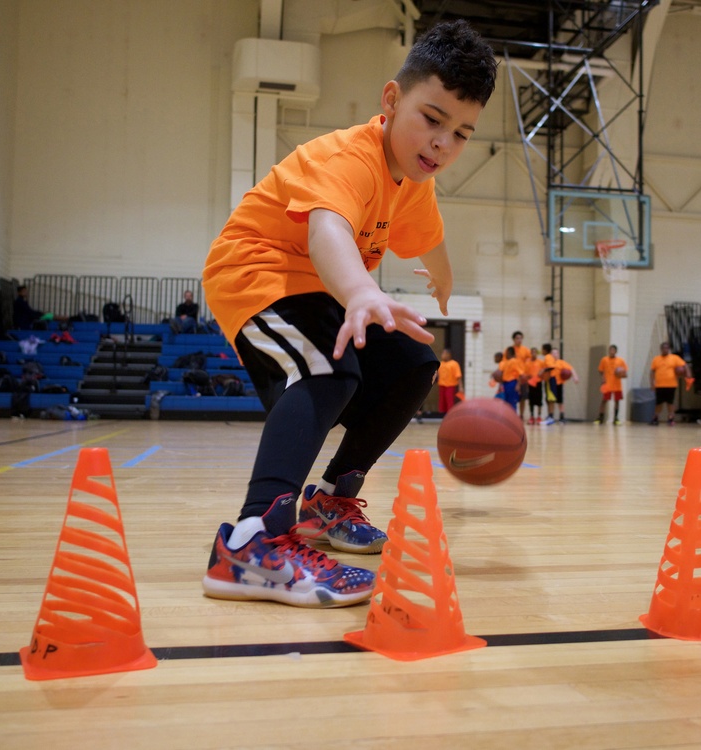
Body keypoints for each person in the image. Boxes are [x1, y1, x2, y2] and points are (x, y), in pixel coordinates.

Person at [199, 20, 497, 608]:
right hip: (256, 274)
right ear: (391, 100)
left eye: (462, 133)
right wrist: (362, 291)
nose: (442, 143)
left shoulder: (413, 181)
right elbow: (327, 228)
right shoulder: (350, 157)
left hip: (321, 290)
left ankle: (329, 503)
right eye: (432, 119)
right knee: (326, 371)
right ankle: (252, 541)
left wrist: (445, 276)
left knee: (414, 363)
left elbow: (428, 237)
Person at [649, 341, 689, 426]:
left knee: (670, 403)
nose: (665, 349)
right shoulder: (656, 359)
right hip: (659, 385)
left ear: (669, 349)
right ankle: (655, 418)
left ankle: (671, 418)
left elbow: (685, 365)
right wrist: (652, 383)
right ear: (661, 349)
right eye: (663, 348)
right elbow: (652, 372)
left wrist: (688, 374)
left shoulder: (674, 358)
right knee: (658, 403)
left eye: (667, 348)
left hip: (671, 385)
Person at [543, 346, 577, 425]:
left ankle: (562, 417)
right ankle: (550, 416)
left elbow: (571, 369)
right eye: (553, 353)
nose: (555, 354)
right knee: (551, 400)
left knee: (560, 401)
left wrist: (575, 376)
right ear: (551, 354)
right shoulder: (549, 363)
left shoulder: (561, 362)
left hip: (559, 384)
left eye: (556, 353)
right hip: (551, 383)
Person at [595, 344, 627, 425]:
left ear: (616, 351)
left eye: (613, 350)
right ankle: (600, 418)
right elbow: (600, 370)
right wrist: (603, 378)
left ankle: (615, 418)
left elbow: (625, 374)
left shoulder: (621, 361)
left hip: (617, 385)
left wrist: (620, 374)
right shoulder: (604, 360)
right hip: (607, 384)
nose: (611, 351)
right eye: (610, 350)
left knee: (617, 401)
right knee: (604, 401)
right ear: (608, 351)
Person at [510, 331, 532, 421]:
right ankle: (512, 415)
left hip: (522, 377)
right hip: (512, 376)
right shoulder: (510, 350)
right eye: (517, 338)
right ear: (514, 339)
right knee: (513, 397)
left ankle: (521, 415)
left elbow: (531, 361)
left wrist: (528, 374)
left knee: (523, 398)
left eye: (521, 338)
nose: (519, 340)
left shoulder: (526, 350)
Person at [499, 345, 525, 412]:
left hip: (512, 383)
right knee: (506, 403)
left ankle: (513, 420)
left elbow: (520, 373)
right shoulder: (506, 362)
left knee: (512, 402)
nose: (505, 354)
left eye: (506, 352)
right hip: (506, 384)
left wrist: (518, 385)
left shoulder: (514, 361)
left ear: (509, 353)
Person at [436, 348, 463, 415]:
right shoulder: (441, 364)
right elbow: (437, 374)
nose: (442, 355)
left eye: (444, 353)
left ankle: (450, 414)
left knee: (449, 401)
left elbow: (458, 376)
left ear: (448, 355)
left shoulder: (454, 364)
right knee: (442, 401)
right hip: (442, 385)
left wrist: (461, 387)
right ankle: (441, 414)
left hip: (450, 386)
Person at [525, 347, 544, 425]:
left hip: (538, 382)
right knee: (531, 401)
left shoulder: (540, 362)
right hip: (530, 383)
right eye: (532, 352)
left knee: (539, 400)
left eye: (535, 352)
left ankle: (539, 417)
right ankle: (532, 416)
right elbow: (525, 373)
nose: (533, 353)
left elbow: (544, 369)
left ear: (537, 353)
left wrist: (541, 372)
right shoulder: (527, 362)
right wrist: (527, 377)